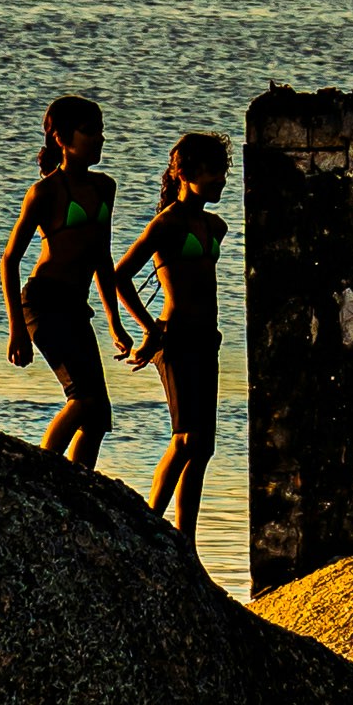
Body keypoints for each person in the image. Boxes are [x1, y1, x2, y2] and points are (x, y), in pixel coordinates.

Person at [1, 93, 132, 471]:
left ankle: (79, 488)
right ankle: (42, 474)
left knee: (98, 417)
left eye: (101, 131)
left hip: (75, 306)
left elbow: (101, 259)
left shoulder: (105, 187)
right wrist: (17, 331)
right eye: (89, 132)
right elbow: (9, 261)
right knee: (83, 399)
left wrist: (115, 323)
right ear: (61, 138)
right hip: (42, 304)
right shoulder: (45, 192)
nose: (99, 139)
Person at [115, 130, 230, 553]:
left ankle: (186, 541)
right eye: (212, 172)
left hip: (207, 339)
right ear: (186, 173)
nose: (221, 180)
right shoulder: (167, 223)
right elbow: (119, 276)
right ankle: (147, 530)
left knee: (203, 447)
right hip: (176, 338)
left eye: (223, 172)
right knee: (185, 439)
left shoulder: (214, 226)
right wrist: (149, 328)